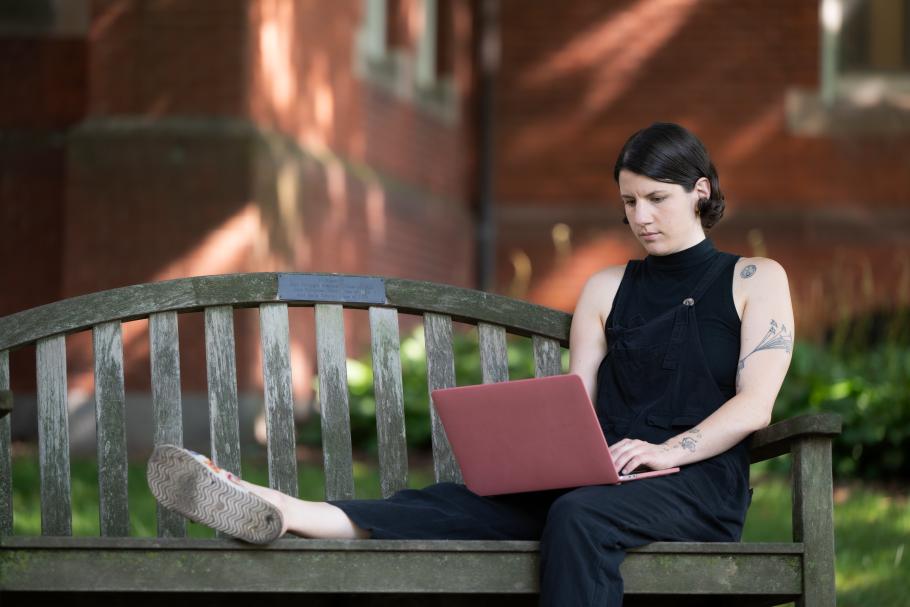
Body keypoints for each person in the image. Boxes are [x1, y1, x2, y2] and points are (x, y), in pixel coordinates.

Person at [147, 122, 794, 606]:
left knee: (578, 516)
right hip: (605, 478)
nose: (640, 216)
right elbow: (579, 399)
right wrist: (550, 452)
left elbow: (755, 403)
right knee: (454, 503)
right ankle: (273, 505)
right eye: (628, 202)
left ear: (700, 191)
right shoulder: (605, 287)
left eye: (656, 198)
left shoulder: (754, 278)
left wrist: (667, 450)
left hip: (696, 484)